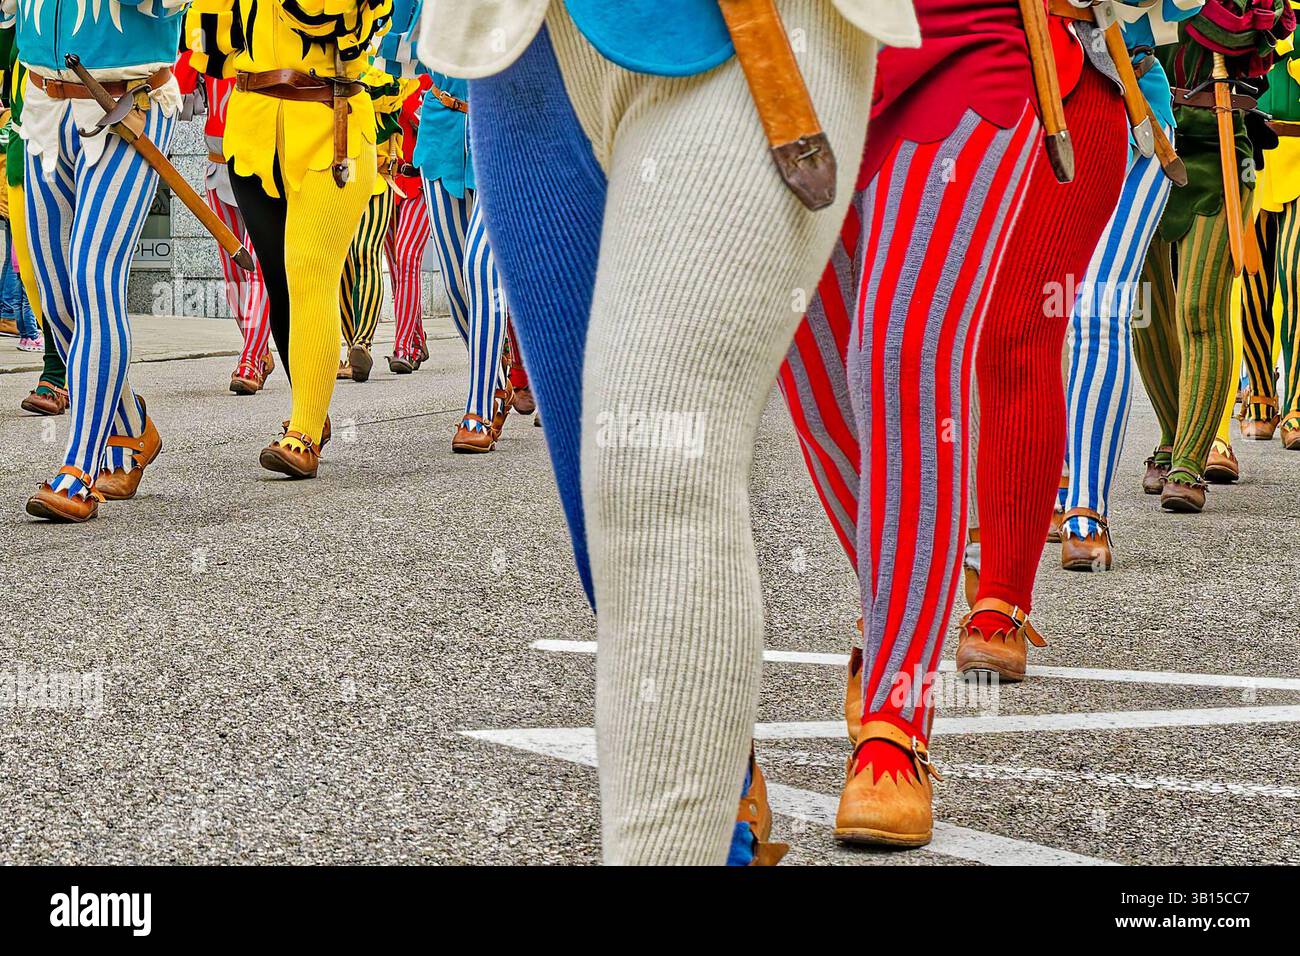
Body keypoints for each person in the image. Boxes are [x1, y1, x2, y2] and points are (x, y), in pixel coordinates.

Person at [425, 0, 906, 863]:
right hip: (520, 40)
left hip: (753, 26)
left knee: (653, 465)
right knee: (600, 510)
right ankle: (717, 797)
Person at [185, 0, 390, 480]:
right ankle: (311, 409)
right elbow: (212, 48)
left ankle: (302, 431)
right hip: (253, 131)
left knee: (309, 274)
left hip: (330, 126)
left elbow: (329, 21)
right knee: (279, 282)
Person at [16, 0, 187, 522]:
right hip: (44, 104)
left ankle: (78, 469)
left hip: (128, 105)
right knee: (57, 296)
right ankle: (131, 426)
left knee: (94, 276)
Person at [1057, 1, 1204, 570]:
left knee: (1101, 307)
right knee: (1033, 315)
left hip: (1133, 113)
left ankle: (1084, 510)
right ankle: (1041, 488)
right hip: (1021, 104)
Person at [1132, 0, 1294, 513]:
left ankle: (1189, 459)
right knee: (1145, 307)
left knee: (1200, 307)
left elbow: (1250, 37)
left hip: (1217, 136)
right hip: (1145, 133)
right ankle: (1171, 431)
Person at [174, 49, 275, 396]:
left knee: (259, 265)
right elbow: (180, 85)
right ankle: (257, 348)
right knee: (234, 270)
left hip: (263, 164)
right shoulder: (208, 31)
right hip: (218, 164)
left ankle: (249, 358)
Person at [1238, 14, 1300, 448]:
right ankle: (1260, 393)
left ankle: (1297, 399)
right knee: (1252, 281)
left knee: (1295, 274)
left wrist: (1283, 43)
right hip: (1255, 148)